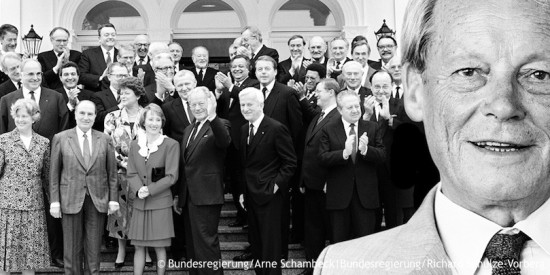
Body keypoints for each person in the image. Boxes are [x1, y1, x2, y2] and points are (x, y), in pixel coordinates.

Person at [314, 0, 550, 274]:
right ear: (415, 91)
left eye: (539, 75)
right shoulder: (341, 268)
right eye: (469, 72)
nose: (503, 106)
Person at [49, 100, 119, 275]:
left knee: (93, 249)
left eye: (90, 114)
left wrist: (113, 200)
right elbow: (54, 173)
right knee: (71, 249)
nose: (86, 117)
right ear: (75, 114)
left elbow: (112, 173)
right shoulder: (61, 138)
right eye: (82, 113)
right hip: (70, 198)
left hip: (97, 198)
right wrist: (55, 201)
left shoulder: (105, 139)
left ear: (95, 116)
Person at [238, 87, 297, 275]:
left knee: (270, 248)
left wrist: (275, 186)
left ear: (261, 104)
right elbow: (245, 165)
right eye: (242, 105)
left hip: (270, 196)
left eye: (250, 104)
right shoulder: (243, 129)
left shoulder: (276, 128)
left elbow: (290, 162)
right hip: (250, 196)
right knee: (256, 244)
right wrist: (242, 192)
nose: (245, 108)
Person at [176, 87, 231, 275]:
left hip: (207, 195)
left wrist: (213, 116)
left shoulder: (220, 123)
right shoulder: (189, 129)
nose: (197, 108)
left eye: (202, 103)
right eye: (193, 104)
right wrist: (179, 195)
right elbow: (186, 165)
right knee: (192, 247)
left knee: (206, 246)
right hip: (189, 197)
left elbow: (224, 142)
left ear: (210, 103)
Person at [318, 90, 385, 243]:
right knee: (339, 242)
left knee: (365, 243)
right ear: (340, 110)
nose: (355, 110)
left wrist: (366, 150)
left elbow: (382, 155)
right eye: (350, 108)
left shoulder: (372, 127)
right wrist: (344, 153)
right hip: (339, 196)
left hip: (365, 197)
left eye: (357, 106)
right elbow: (322, 158)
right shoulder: (328, 129)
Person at [127, 104, 179, 275]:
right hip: (140, 203)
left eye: (158, 120)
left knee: (160, 248)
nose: (154, 123)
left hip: (160, 203)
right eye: (150, 119)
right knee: (139, 247)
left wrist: (149, 189)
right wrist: (138, 189)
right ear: (143, 122)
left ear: (162, 122)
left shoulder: (171, 144)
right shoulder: (135, 145)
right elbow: (131, 172)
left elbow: (172, 176)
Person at [0, 99, 51, 275]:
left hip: (34, 207)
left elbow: (47, 176)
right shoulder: (3, 141)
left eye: (25, 116)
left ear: (34, 117)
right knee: (5, 259)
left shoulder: (44, 143)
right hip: (8, 207)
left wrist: (53, 202)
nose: (20, 119)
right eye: (17, 115)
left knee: (30, 259)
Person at [103, 76, 148, 268]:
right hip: (119, 172)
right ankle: (121, 250)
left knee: (142, 212)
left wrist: (139, 164)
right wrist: (125, 163)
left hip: (144, 173)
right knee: (120, 213)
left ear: (137, 95)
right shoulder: (112, 117)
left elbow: (155, 141)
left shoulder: (148, 114)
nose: (122, 96)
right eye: (121, 93)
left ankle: (144, 251)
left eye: (127, 93)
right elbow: (108, 145)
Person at [299, 79, 341, 275]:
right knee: (312, 230)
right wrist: (302, 179)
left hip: (327, 185)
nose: (315, 94)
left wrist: (329, 181)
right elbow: (308, 150)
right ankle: (312, 268)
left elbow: (336, 149)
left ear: (331, 92)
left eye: (319, 91)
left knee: (332, 230)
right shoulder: (319, 116)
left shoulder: (338, 116)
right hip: (311, 183)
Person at [90, 62, 130, 132]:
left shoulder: (132, 95)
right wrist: (120, 106)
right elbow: (98, 117)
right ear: (109, 77)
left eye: (125, 76)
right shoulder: (98, 96)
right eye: (119, 76)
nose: (123, 78)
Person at [78, 23, 118, 92]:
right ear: (99, 38)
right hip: (95, 95)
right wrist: (101, 78)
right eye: (107, 35)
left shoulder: (121, 55)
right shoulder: (88, 54)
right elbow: (81, 76)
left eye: (113, 35)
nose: (110, 37)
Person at [56, 61, 94, 129]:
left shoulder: (90, 95)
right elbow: (56, 119)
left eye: (73, 74)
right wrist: (70, 105)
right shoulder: (54, 95)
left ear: (78, 76)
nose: (70, 77)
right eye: (66, 74)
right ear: (60, 78)